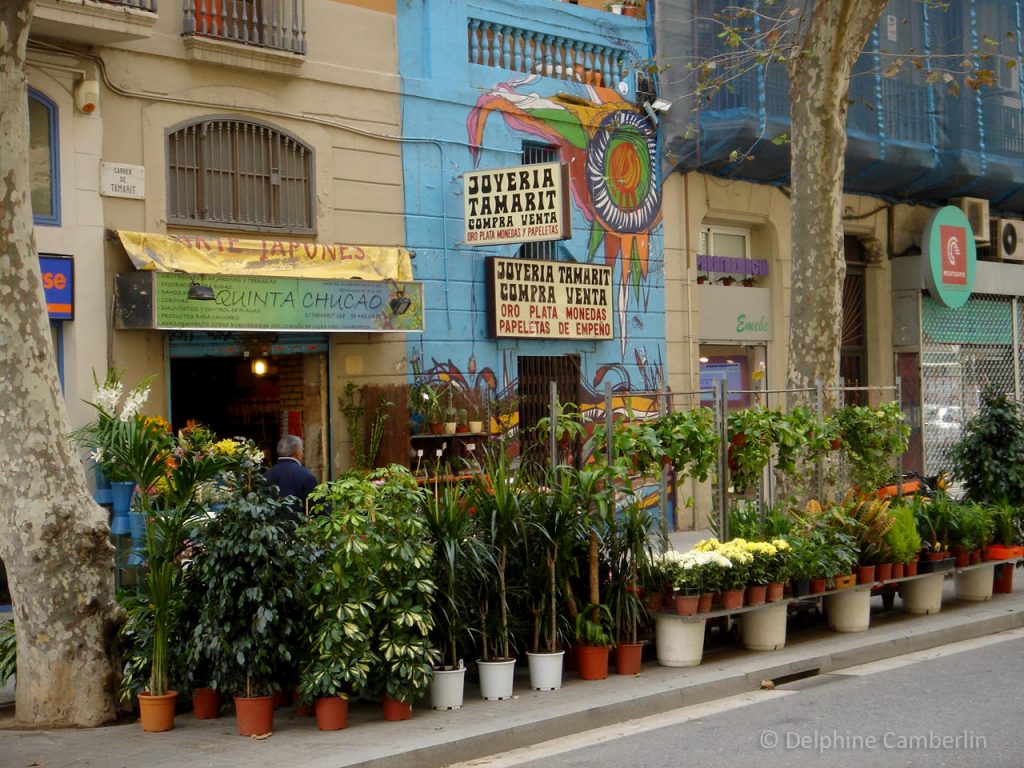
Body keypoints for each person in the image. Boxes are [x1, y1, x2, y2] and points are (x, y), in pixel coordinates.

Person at [265, 434, 318, 517]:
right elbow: (318, 509)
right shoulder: (306, 476)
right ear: (297, 452)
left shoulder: (266, 474)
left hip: (269, 527)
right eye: (302, 451)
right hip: (299, 528)